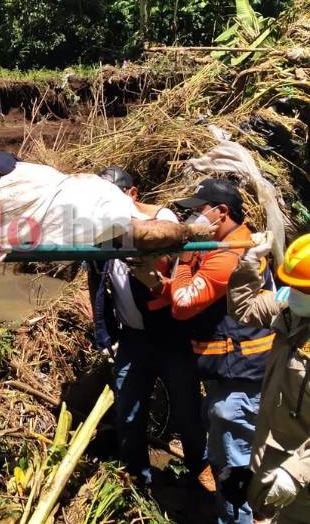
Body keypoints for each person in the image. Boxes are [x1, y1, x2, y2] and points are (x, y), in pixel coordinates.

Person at [154, 178, 274, 524]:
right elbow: (182, 294)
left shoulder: (230, 253)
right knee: (229, 455)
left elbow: (182, 304)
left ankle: (238, 519)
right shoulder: (226, 246)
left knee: (235, 461)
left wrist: (185, 257)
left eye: (196, 211)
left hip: (240, 373)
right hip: (231, 371)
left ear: (221, 213)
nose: (190, 218)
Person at [89, 167, 207, 488]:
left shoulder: (161, 226)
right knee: (128, 411)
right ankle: (138, 478)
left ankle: (200, 471)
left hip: (171, 336)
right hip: (132, 339)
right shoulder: (98, 231)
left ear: (133, 195)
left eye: (109, 199)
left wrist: (139, 242)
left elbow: (174, 274)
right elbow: (97, 284)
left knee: (187, 410)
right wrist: (105, 335)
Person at [227, 232, 310, 523]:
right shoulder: (291, 311)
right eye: (294, 286)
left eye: (304, 289)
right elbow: (243, 309)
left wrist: (297, 473)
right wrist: (250, 263)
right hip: (276, 450)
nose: (295, 293)